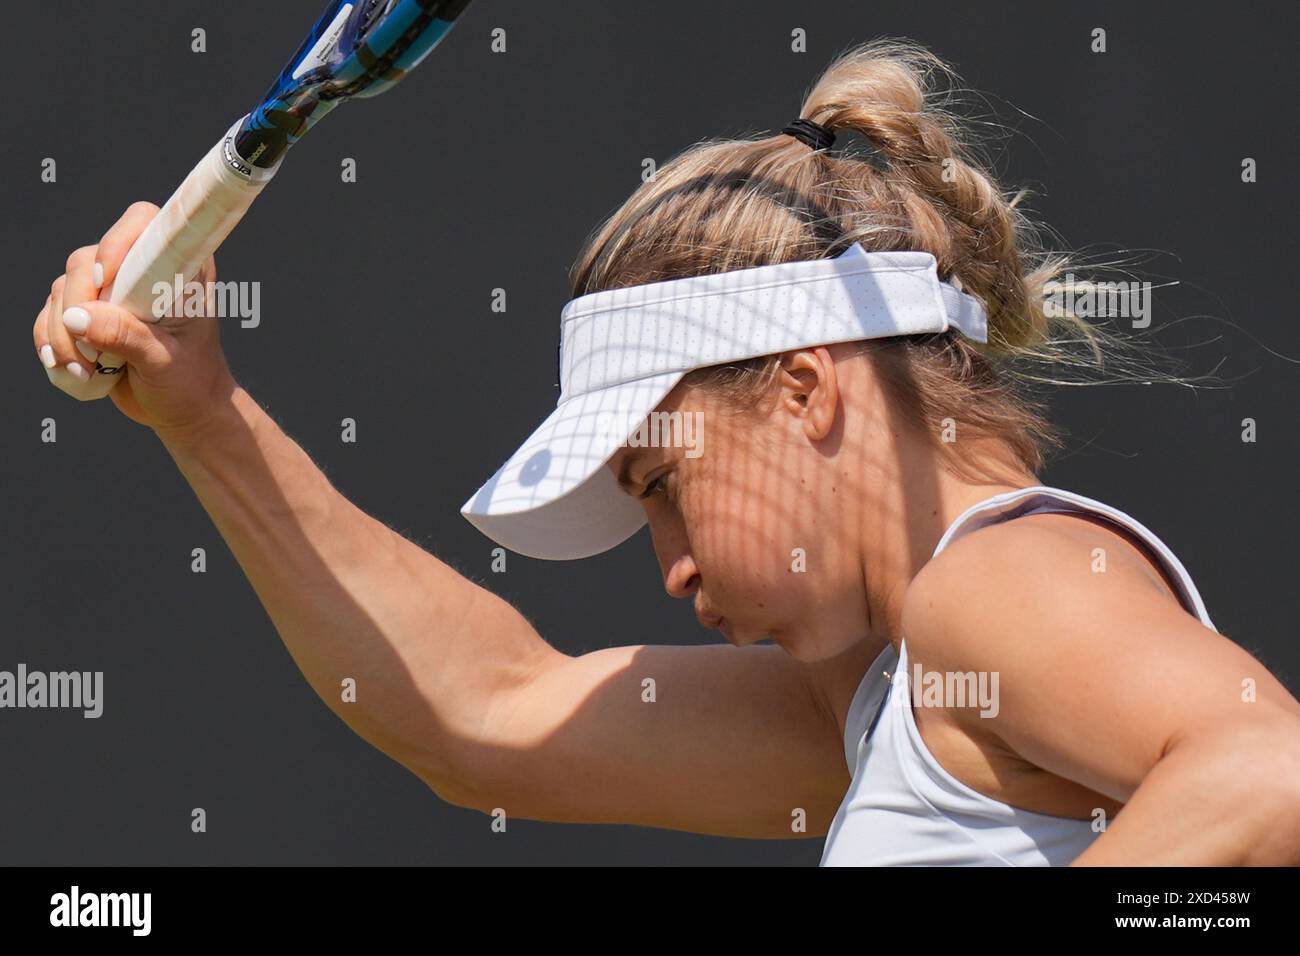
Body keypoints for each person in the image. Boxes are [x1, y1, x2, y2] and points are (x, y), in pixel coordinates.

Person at [31, 39, 1300, 865]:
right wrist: (204, 413)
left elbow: (1269, 771)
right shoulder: (892, 689)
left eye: (661, 483)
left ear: (804, 390)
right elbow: (489, 714)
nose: (671, 568)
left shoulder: (991, 590)